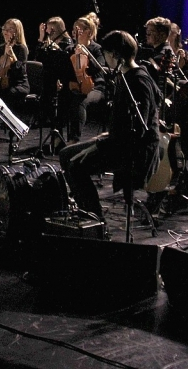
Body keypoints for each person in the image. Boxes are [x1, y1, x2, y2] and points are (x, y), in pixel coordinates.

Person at [60, 30, 161, 220]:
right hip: (120, 141)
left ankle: (93, 219)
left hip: (135, 150)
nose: (105, 59)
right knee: (66, 154)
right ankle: (86, 209)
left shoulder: (137, 81)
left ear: (115, 55)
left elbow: (138, 130)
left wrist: (100, 145)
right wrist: (106, 137)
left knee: (75, 165)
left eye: (106, 54)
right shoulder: (129, 76)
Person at [62, 13, 108, 144]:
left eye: (79, 30)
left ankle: (73, 139)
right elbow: (65, 71)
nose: (75, 33)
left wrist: (86, 54)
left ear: (88, 32)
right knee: (60, 96)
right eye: (74, 30)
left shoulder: (96, 49)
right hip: (76, 85)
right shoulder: (70, 48)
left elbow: (100, 69)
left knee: (79, 100)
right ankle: (58, 137)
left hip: (95, 87)